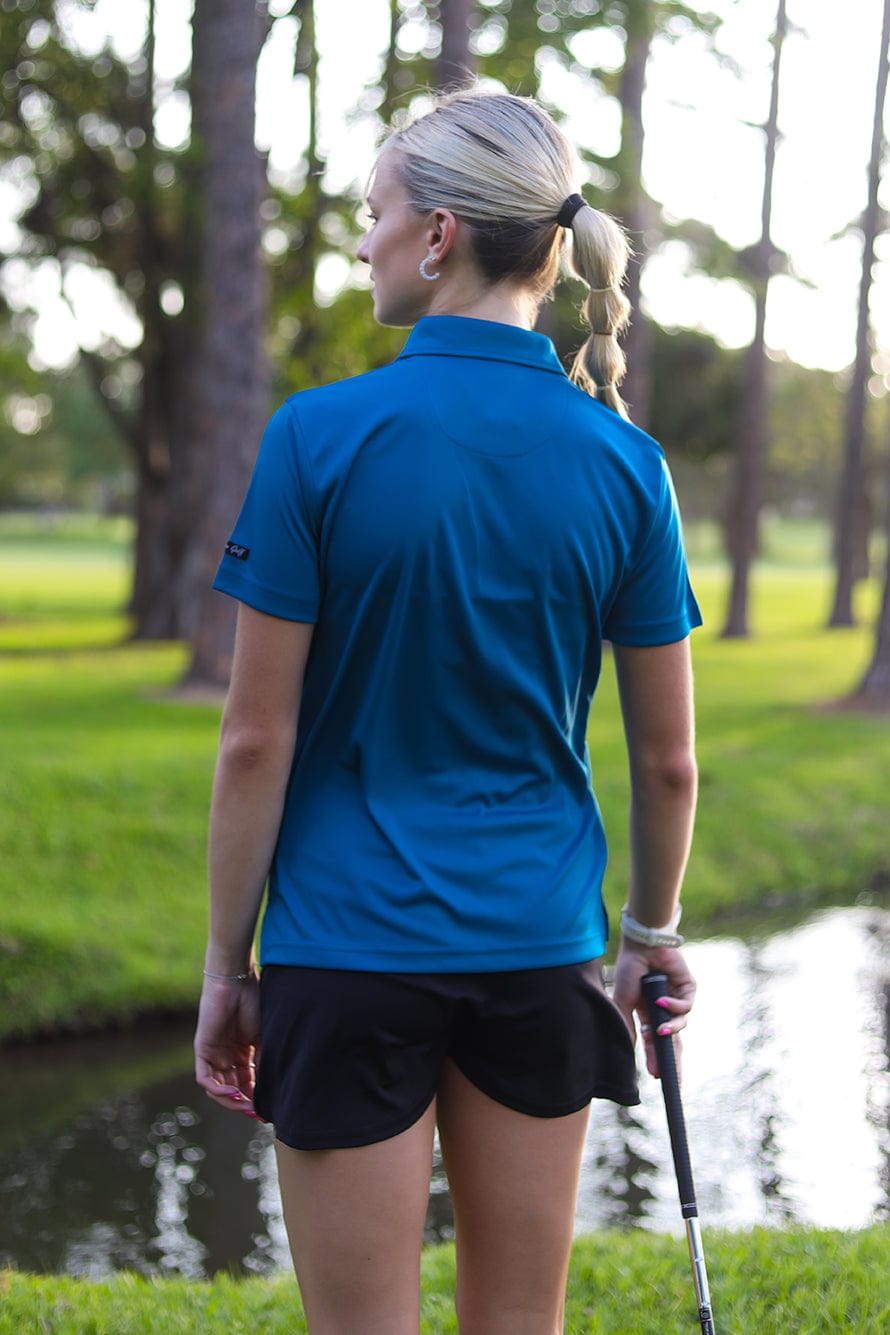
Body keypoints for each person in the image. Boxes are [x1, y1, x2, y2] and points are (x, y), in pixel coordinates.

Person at [194, 85, 701, 1335]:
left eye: (373, 212)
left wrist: (225, 964)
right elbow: (670, 763)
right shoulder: (624, 463)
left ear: (437, 237)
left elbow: (256, 738)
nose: (361, 238)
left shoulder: (317, 436)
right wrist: (648, 934)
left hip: (341, 953)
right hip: (539, 954)